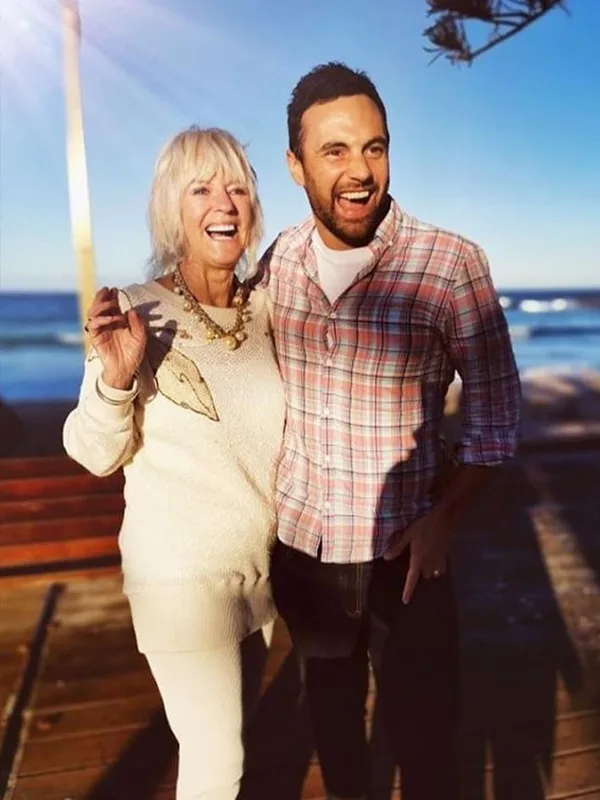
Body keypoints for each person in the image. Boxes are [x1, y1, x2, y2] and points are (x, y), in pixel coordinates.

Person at [259, 63, 521, 800]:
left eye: (374, 148)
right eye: (335, 151)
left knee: (430, 756)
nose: (359, 171)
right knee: (339, 752)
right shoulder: (276, 261)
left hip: (409, 560)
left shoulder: (450, 264)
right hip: (307, 558)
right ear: (296, 165)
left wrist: (445, 520)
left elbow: (497, 412)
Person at [63, 127, 285, 800]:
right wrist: (115, 382)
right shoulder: (136, 311)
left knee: (236, 743)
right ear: (172, 210)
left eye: (238, 186)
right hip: (180, 577)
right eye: (202, 189)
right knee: (218, 765)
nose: (224, 202)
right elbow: (93, 450)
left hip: (262, 571)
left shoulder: (270, 307)